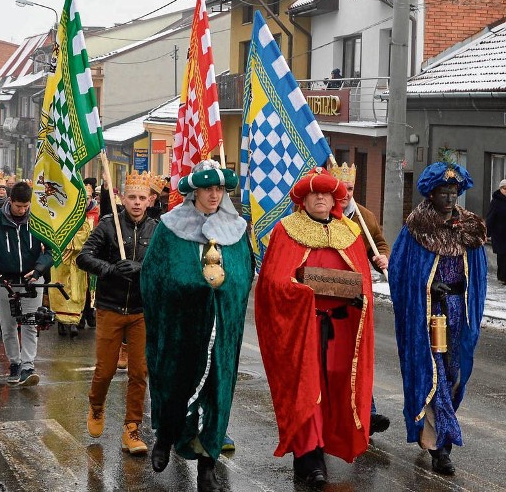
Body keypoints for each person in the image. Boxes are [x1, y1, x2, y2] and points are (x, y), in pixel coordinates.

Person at [255, 167, 375, 486]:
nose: (320, 197)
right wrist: (300, 292)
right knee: (308, 391)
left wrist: (359, 300)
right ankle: (309, 458)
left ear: (335, 198)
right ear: (304, 198)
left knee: (333, 390)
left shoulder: (349, 232)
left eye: (326, 193)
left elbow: (361, 282)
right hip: (301, 330)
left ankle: (323, 447)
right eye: (314, 193)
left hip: (338, 332)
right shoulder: (286, 231)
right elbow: (272, 283)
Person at [141, 160, 253, 492]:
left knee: (217, 394)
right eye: (208, 189)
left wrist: (225, 288)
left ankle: (207, 466)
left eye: (219, 189)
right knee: (175, 386)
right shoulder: (170, 228)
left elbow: (245, 276)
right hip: (180, 326)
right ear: (195, 192)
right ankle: (165, 437)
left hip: (220, 329)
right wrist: (187, 288)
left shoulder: (236, 229)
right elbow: (154, 275)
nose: (215, 195)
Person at [389, 161, 487, 475]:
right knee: (434, 376)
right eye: (443, 192)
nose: (448, 198)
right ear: (431, 194)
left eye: (453, 192)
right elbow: (400, 272)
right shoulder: (417, 228)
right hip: (430, 314)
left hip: (460, 312)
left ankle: (436, 433)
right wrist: (429, 287)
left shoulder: (469, 228)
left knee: (455, 375)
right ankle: (440, 446)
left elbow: (479, 274)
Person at [76, 171, 157, 455]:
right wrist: (110, 270)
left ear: (150, 200)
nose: (136, 203)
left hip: (141, 310)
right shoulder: (108, 226)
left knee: (139, 372)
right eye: (131, 197)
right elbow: (83, 257)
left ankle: (131, 429)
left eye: (141, 198)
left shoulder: (156, 230)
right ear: (122, 198)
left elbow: (164, 266)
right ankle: (96, 406)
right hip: (110, 307)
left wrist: (143, 269)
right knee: (106, 370)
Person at [330, 161, 391, 435]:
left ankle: (369, 411)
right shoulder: (320, 215)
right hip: (327, 298)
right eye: (340, 188)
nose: (345, 194)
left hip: (357, 297)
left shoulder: (364, 216)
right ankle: (330, 413)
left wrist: (382, 257)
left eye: (350, 188)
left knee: (359, 354)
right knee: (331, 358)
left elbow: (378, 242)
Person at [0, 181, 53, 386]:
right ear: (10, 201)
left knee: (30, 324)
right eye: (18, 206)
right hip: (5, 280)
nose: (22, 210)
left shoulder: (39, 219)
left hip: (32, 280)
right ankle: (14, 363)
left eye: (26, 206)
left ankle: (28, 365)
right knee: (8, 326)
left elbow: (51, 250)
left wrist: (39, 269)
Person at [486, 178, 506, 284]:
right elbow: (490, 218)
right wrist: (486, 232)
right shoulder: (496, 201)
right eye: (505, 188)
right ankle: (502, 277)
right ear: (501, 189)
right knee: (502, 256)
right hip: (499, 233)